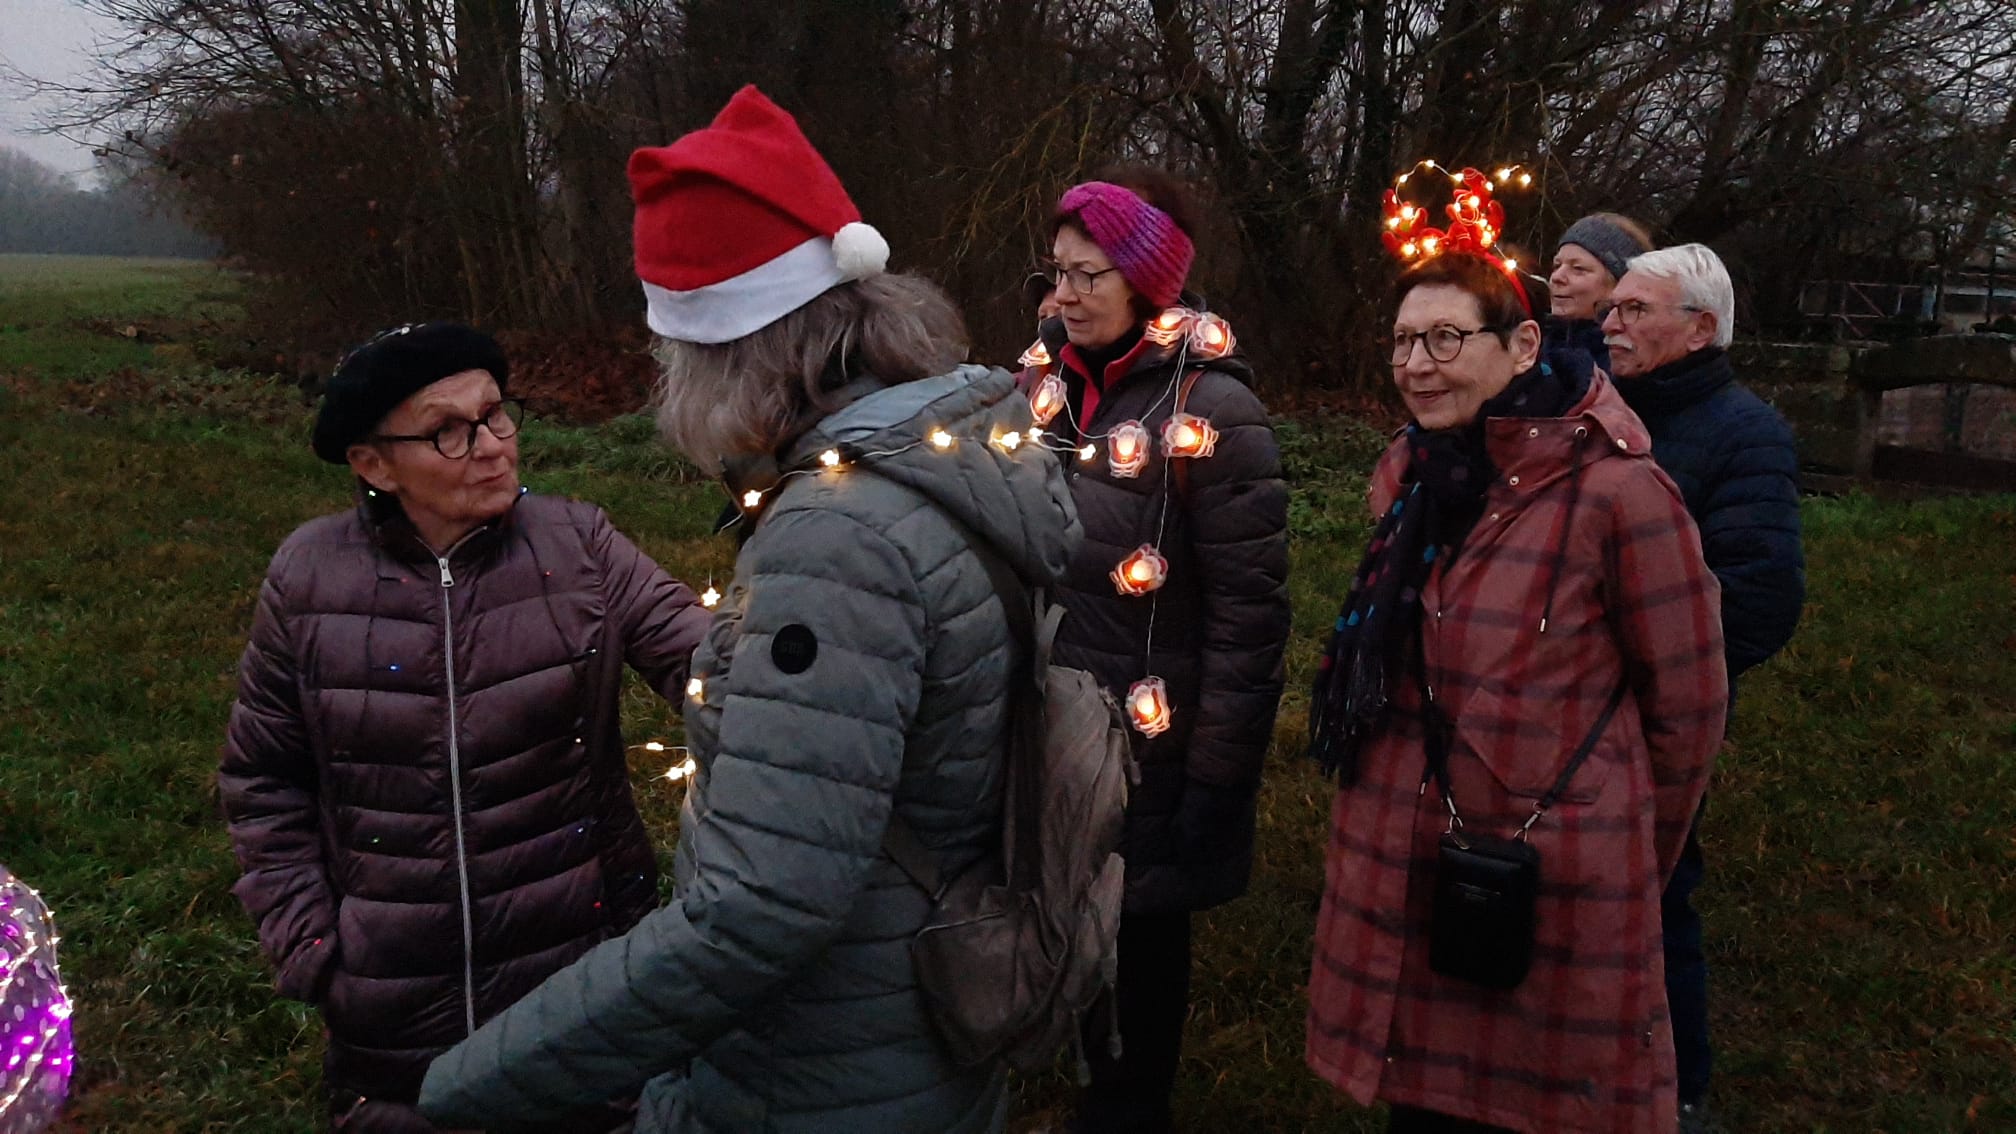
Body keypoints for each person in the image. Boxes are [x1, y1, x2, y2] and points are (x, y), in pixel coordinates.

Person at [416, 86, 1080, 1133]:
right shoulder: (955, 445)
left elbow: (761, 907)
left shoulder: (839, 538)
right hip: (929, 1021)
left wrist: (479, 1080)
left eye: (669, 357)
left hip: (819, 1070)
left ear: (725, 351)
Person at [219, 320, 711, 1132]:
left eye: (494, 415)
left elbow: (711, 667)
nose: (491, 448)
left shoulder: (579, 548)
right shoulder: (308, 577)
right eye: (447, 431)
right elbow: (264, 778)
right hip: (392, 1017)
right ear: (374, 464)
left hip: (578, 986)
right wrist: (313, 947)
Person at [1304, 249, 1729, 1134]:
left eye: (1446, 338)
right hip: (1405, 856)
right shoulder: (1408, 477)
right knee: (1424, 1104)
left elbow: (1686, 707)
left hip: (1548, 874)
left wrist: (1616, 850)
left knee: (1529, 1107)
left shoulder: (1618, 494)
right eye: (1403, 342)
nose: (1417, 365)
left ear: (1523, 345)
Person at [1021, 168, 1290, 1133]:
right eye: (1057, 273)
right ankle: (1073, 1062)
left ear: (1146, 281)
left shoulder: (1212, 414)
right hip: (1049, 717)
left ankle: (1131, 1103)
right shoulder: (1041, 391)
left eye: (1088, 275)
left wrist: (1216, 777)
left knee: (1140, 931)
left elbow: (1249, 617)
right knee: (1060, 905)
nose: (1065, 295)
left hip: (1151, 740)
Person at [1600, 243, 1806, 1132]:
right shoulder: (1594, 413)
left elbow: (1760, 595)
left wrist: (1659, 686)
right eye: (1611, 308)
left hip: (1655, 721)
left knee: (1656, 893)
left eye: (1634, 311)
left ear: (1700, 329)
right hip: (1564, 715)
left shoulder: (1743, 432)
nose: (1611, 325)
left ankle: (1676, 1092)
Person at [1549, 212, 1655, 371]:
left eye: (1578, 269)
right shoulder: (1533, 347)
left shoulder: (1627, 367)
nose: (1557, 277)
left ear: (1619, 284)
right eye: (1557, 265)